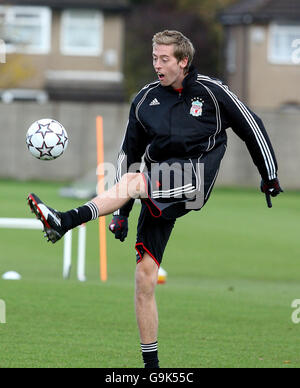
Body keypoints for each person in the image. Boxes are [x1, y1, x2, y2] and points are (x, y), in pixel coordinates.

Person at [27, 30, 282, 368]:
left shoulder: (212, 92)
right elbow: (128, 153)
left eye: (164, 59)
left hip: (193, 179)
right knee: (144, 277)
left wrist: (270, 175)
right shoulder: (146, 100)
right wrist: (121, 213)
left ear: (183, 61)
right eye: (154, 58)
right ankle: (153, 369)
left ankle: (65, 220)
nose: (157, 65)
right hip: (157, 185)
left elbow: (252, 125)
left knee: (134, 180)